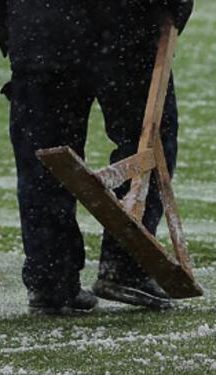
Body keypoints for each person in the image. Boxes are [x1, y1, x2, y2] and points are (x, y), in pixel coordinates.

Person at [0, 0, 193, 314]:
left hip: (38, 31)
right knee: (145, 138)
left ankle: (51, 279)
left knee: (44, 159)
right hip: (121, 27)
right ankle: (125, 265)